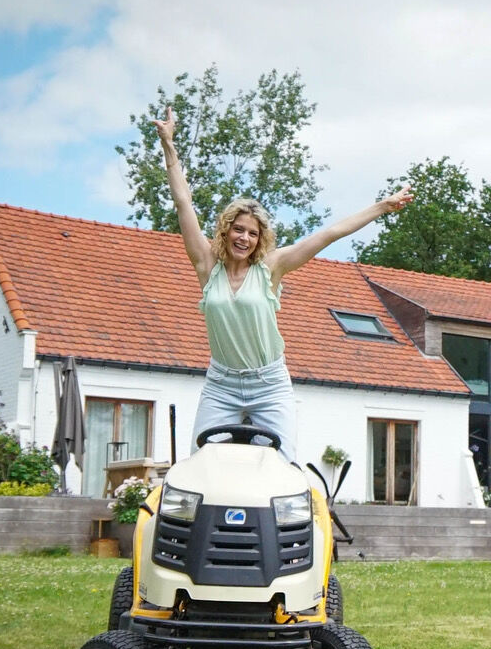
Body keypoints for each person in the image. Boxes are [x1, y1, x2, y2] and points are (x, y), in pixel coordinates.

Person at [154, 107, 413, 462]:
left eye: (252, 233)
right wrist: (168, 144)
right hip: (221, 384)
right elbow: (183, 202)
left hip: (269, 384)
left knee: (281, 466)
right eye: (238, 229)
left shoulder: (271, 267)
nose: (243, 237)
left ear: (260, 239)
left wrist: (382, 206)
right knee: (202, 462)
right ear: (226, 230)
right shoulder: (206, 264)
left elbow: (329, 234)